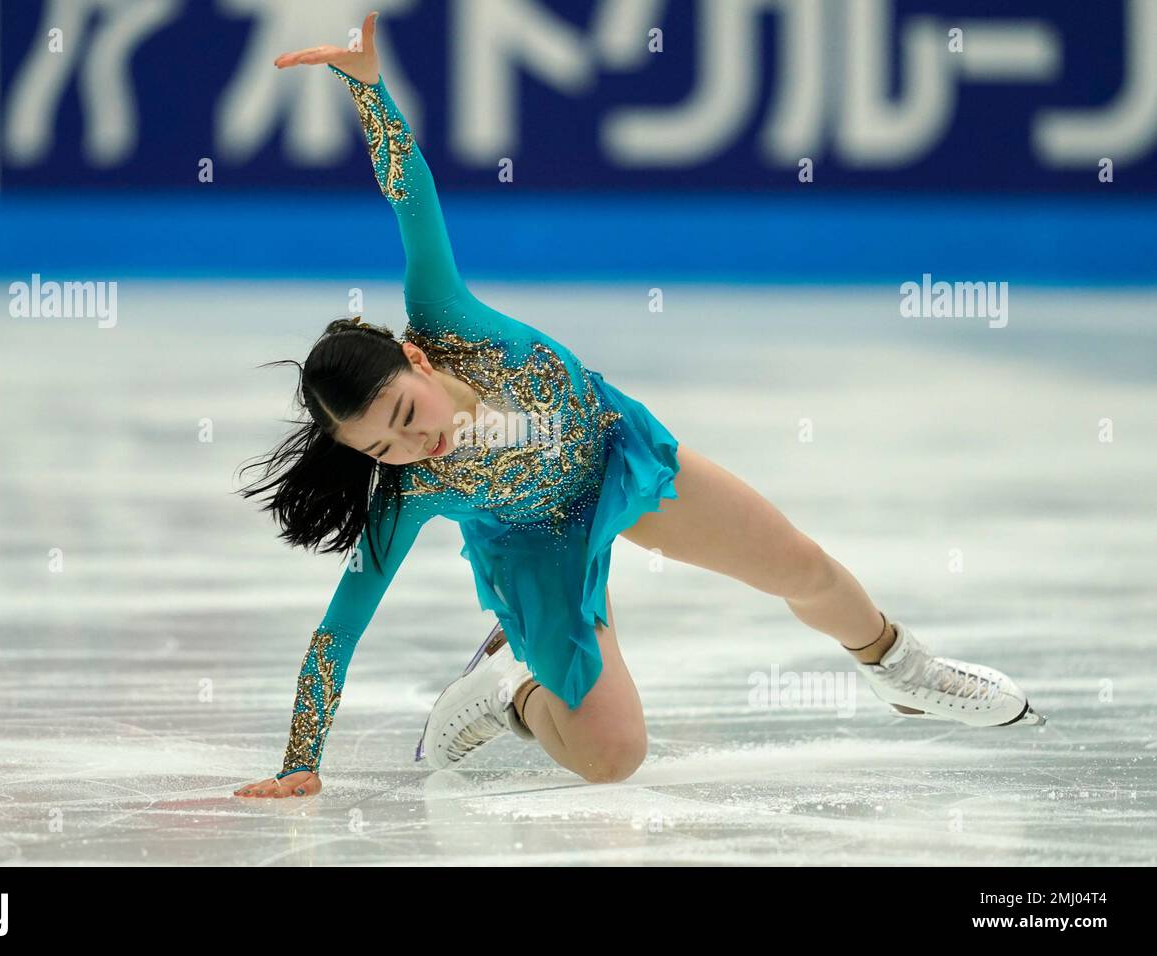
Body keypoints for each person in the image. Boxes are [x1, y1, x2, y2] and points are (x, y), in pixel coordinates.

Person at [232, 12, 1042, 800]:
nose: (412, 449)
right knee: (613, 758)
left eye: (407, 418)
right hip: (534, 546)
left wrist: (370, 94)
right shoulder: (412, 493)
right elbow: (338, 630)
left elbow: (410, 192)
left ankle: (902, 670)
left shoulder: (443, 315)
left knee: (799, 565)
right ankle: (504, 693)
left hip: (618, 453)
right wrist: (302, 760)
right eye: (381, 451)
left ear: (416, 359)